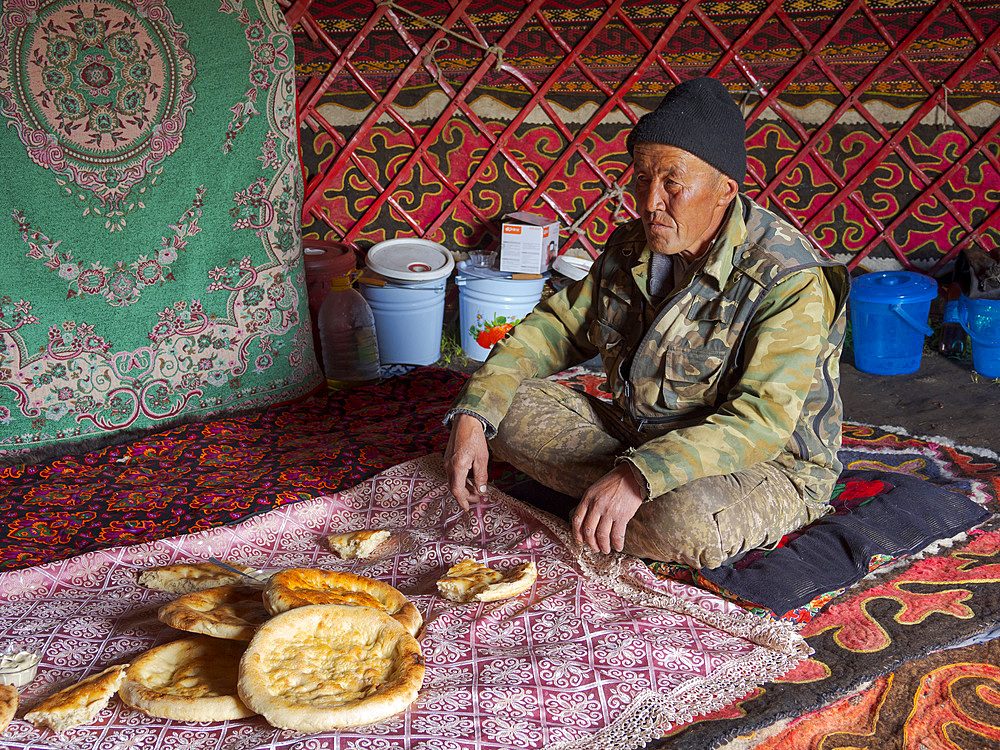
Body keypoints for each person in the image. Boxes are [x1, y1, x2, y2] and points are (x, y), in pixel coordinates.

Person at [443, 77, 850, 569]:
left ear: (724, 191)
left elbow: (761, 421)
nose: (651, 201)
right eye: (642, 180)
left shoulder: (787, 278)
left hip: (762, 464)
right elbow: (553, 328)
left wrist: (640, 476)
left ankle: (618, 499)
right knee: (498, 408)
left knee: (687, 520)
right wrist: (475, 413)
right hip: (639, 434)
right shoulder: (632, 246)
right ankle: (613, 503)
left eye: (672, 183)